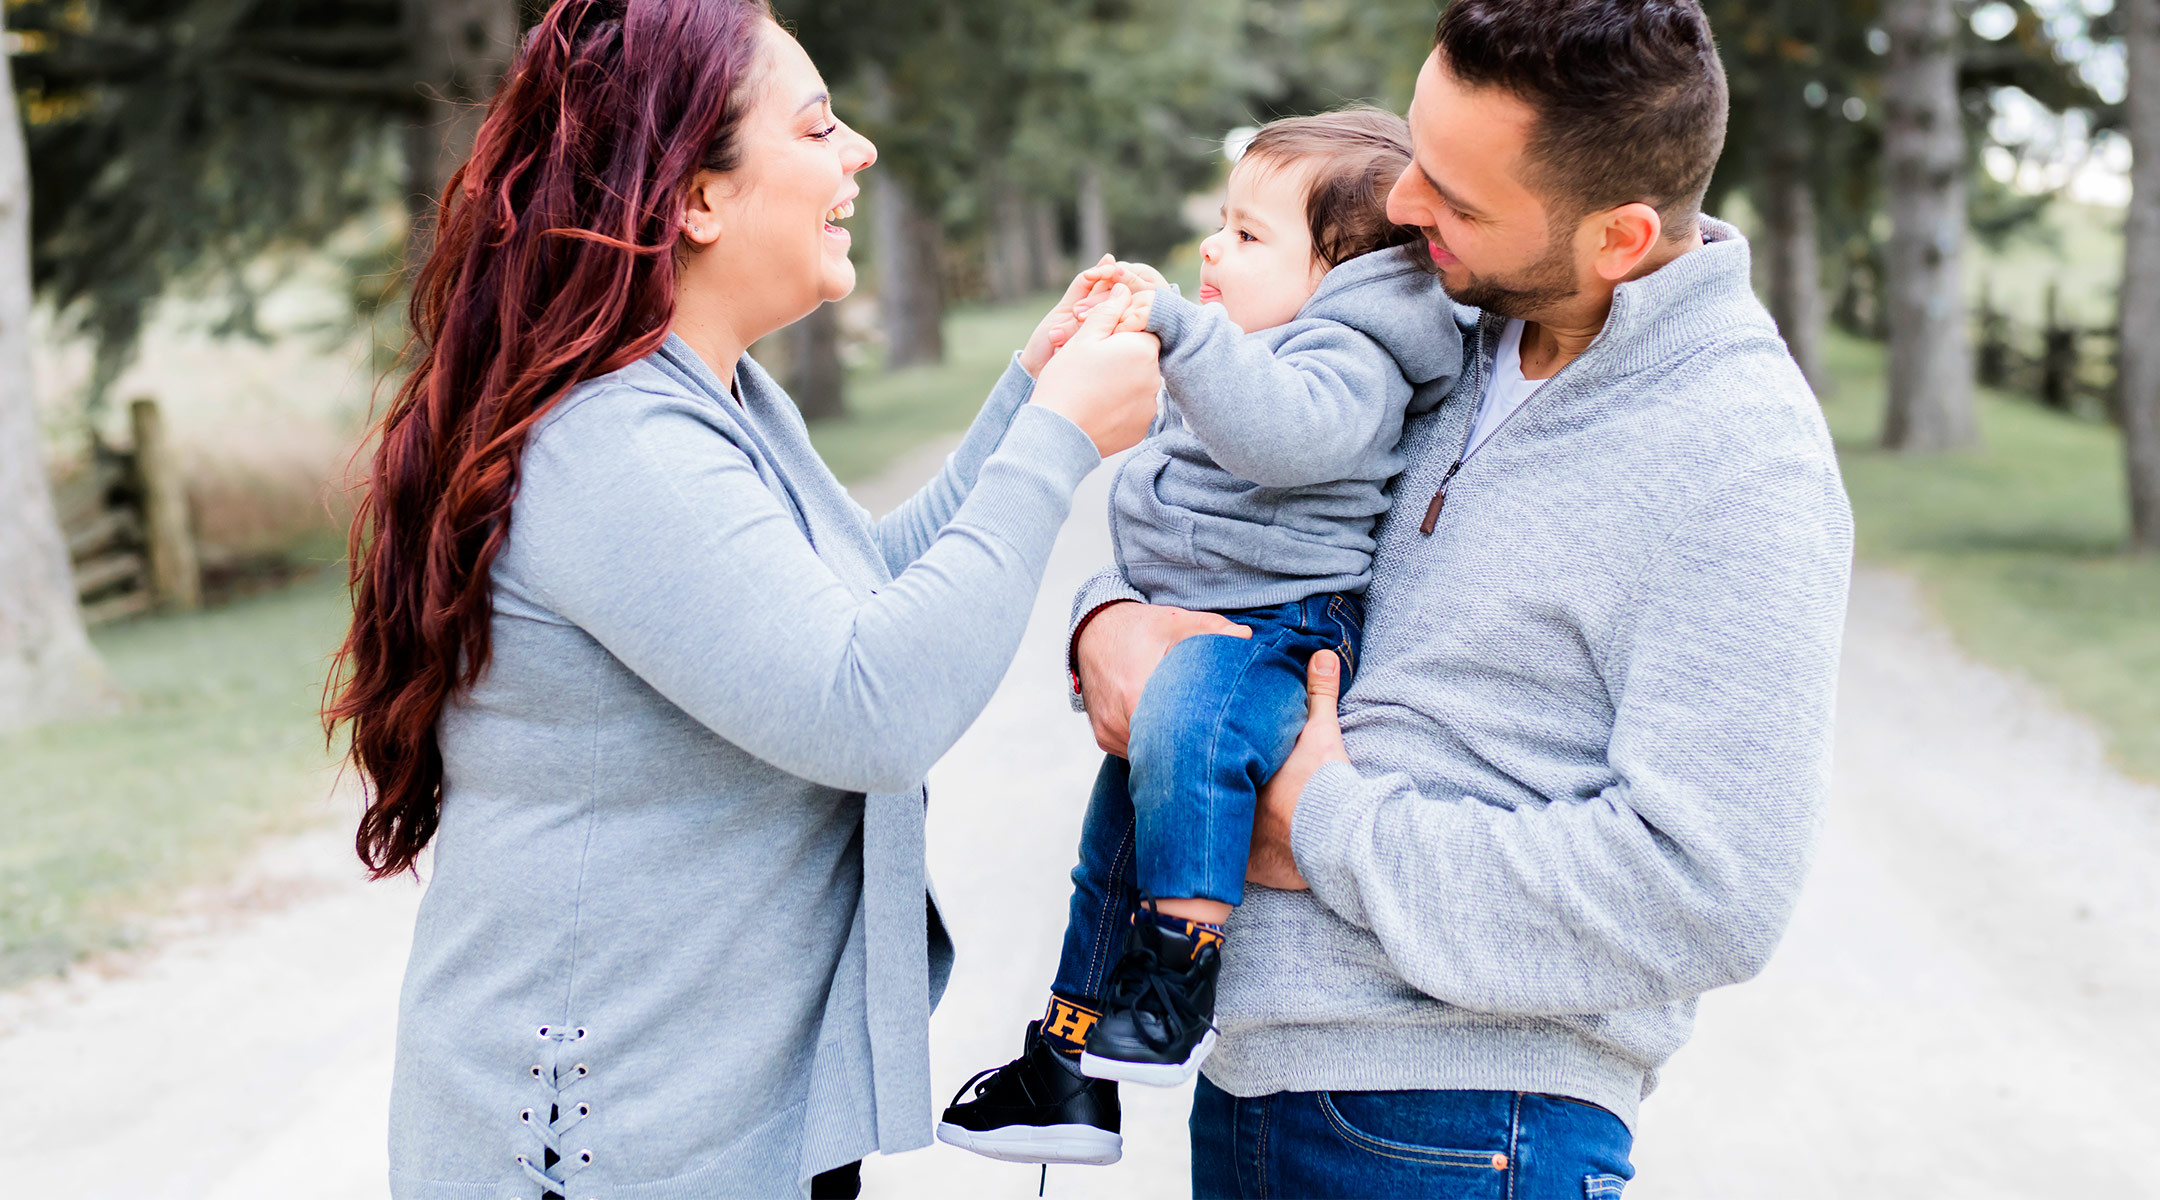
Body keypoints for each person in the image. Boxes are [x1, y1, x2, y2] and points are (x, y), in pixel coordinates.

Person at [322, 2, 1163, 1197]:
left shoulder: (716, 399)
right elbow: (868, 707)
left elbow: (864, 595)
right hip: (611, 1152)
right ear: (693, 200)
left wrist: (1030, 395)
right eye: (819, 128)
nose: (859, 151)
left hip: (720, 1130)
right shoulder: (617, 440)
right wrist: (1062, 440)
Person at [1065, 1, 1855, 1197]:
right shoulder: (1444, 327)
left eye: (1457, 196)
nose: (1399, 206)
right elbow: (1246, 516)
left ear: (1619, 237)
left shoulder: (1739, 457)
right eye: (1419, 160)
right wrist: (1108, 620)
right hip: (1258, 1081)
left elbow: (1707, 894)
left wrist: (1324, 826)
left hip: (1463, 1123)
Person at [937, 108, 1460, 1169]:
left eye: (1250, 236)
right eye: (1220, 226)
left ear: (1348, 269)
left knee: (1186, 735)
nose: (1216, 250)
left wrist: (1184, 328)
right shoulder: (1276, 341)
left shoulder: (1355, 353)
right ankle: (1070, 1059)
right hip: (1212, 632)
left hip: (1282, 634)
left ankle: (1177, 983)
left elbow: (1286, 436)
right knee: (1117, 835)